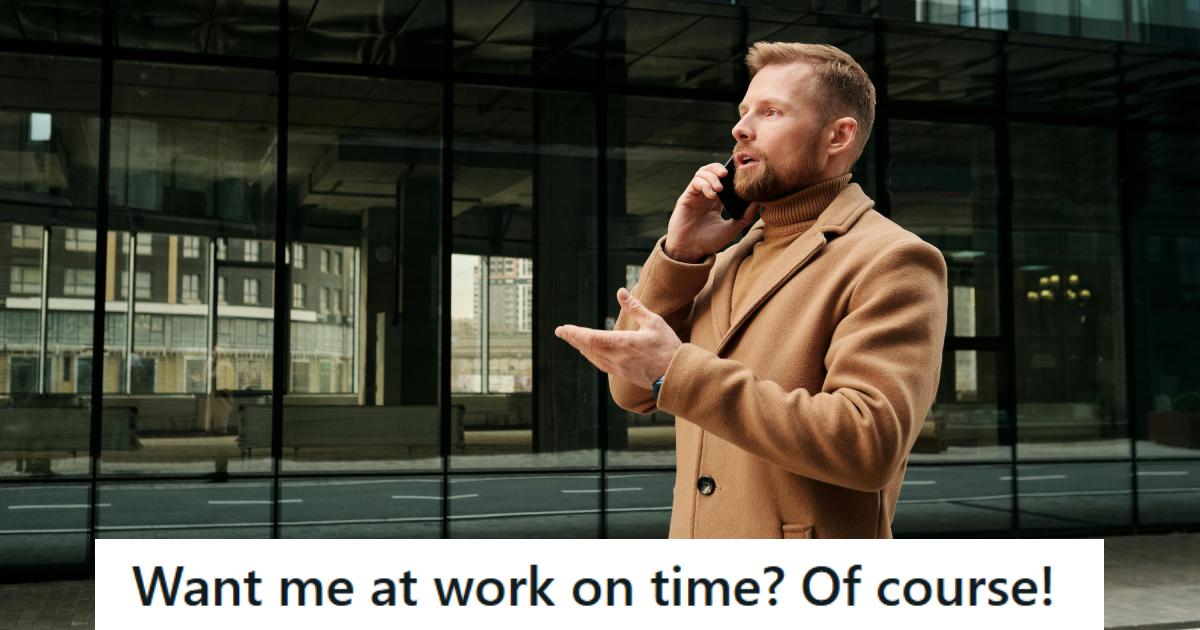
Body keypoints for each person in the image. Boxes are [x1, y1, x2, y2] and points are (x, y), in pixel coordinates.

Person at [555, 42, 948, 538]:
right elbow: (631, 391)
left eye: (771, 111)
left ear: (838, 136)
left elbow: (867, 445)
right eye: (743, 112)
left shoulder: (892, 259)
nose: (740, 128)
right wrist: (681, 254)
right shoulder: (725, 260)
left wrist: (677, 370)